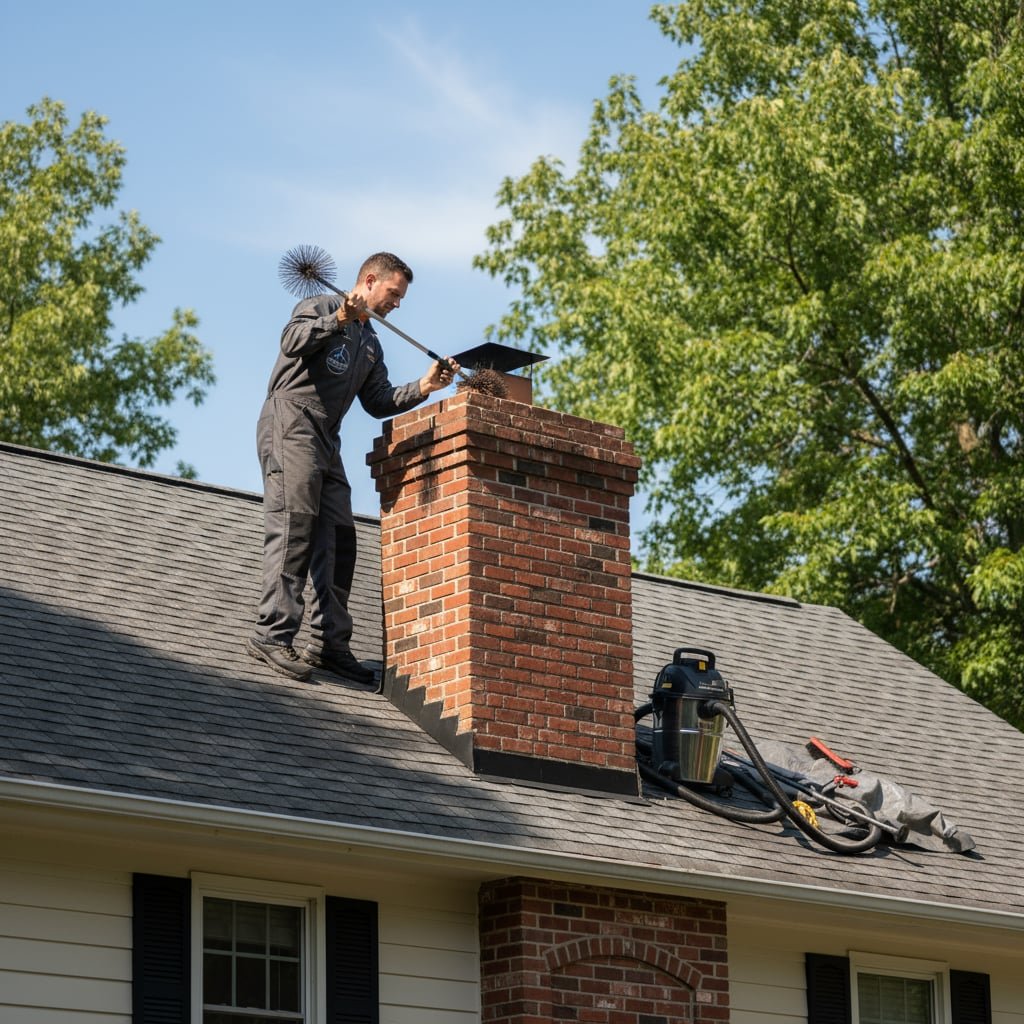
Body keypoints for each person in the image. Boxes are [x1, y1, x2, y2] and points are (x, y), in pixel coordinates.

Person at [246, 251, 458, 684]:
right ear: (369, 279)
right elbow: (291, 342)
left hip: (327, 437)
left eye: (401, 298)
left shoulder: (370, 342)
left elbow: (378, 400)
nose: (397, 304)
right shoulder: (321, 307)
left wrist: (425, 385)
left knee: (341, 537)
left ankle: (329, 645)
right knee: (295, 527)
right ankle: (272, 634)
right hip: (292, 423)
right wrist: (339, 318)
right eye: (394, 294)